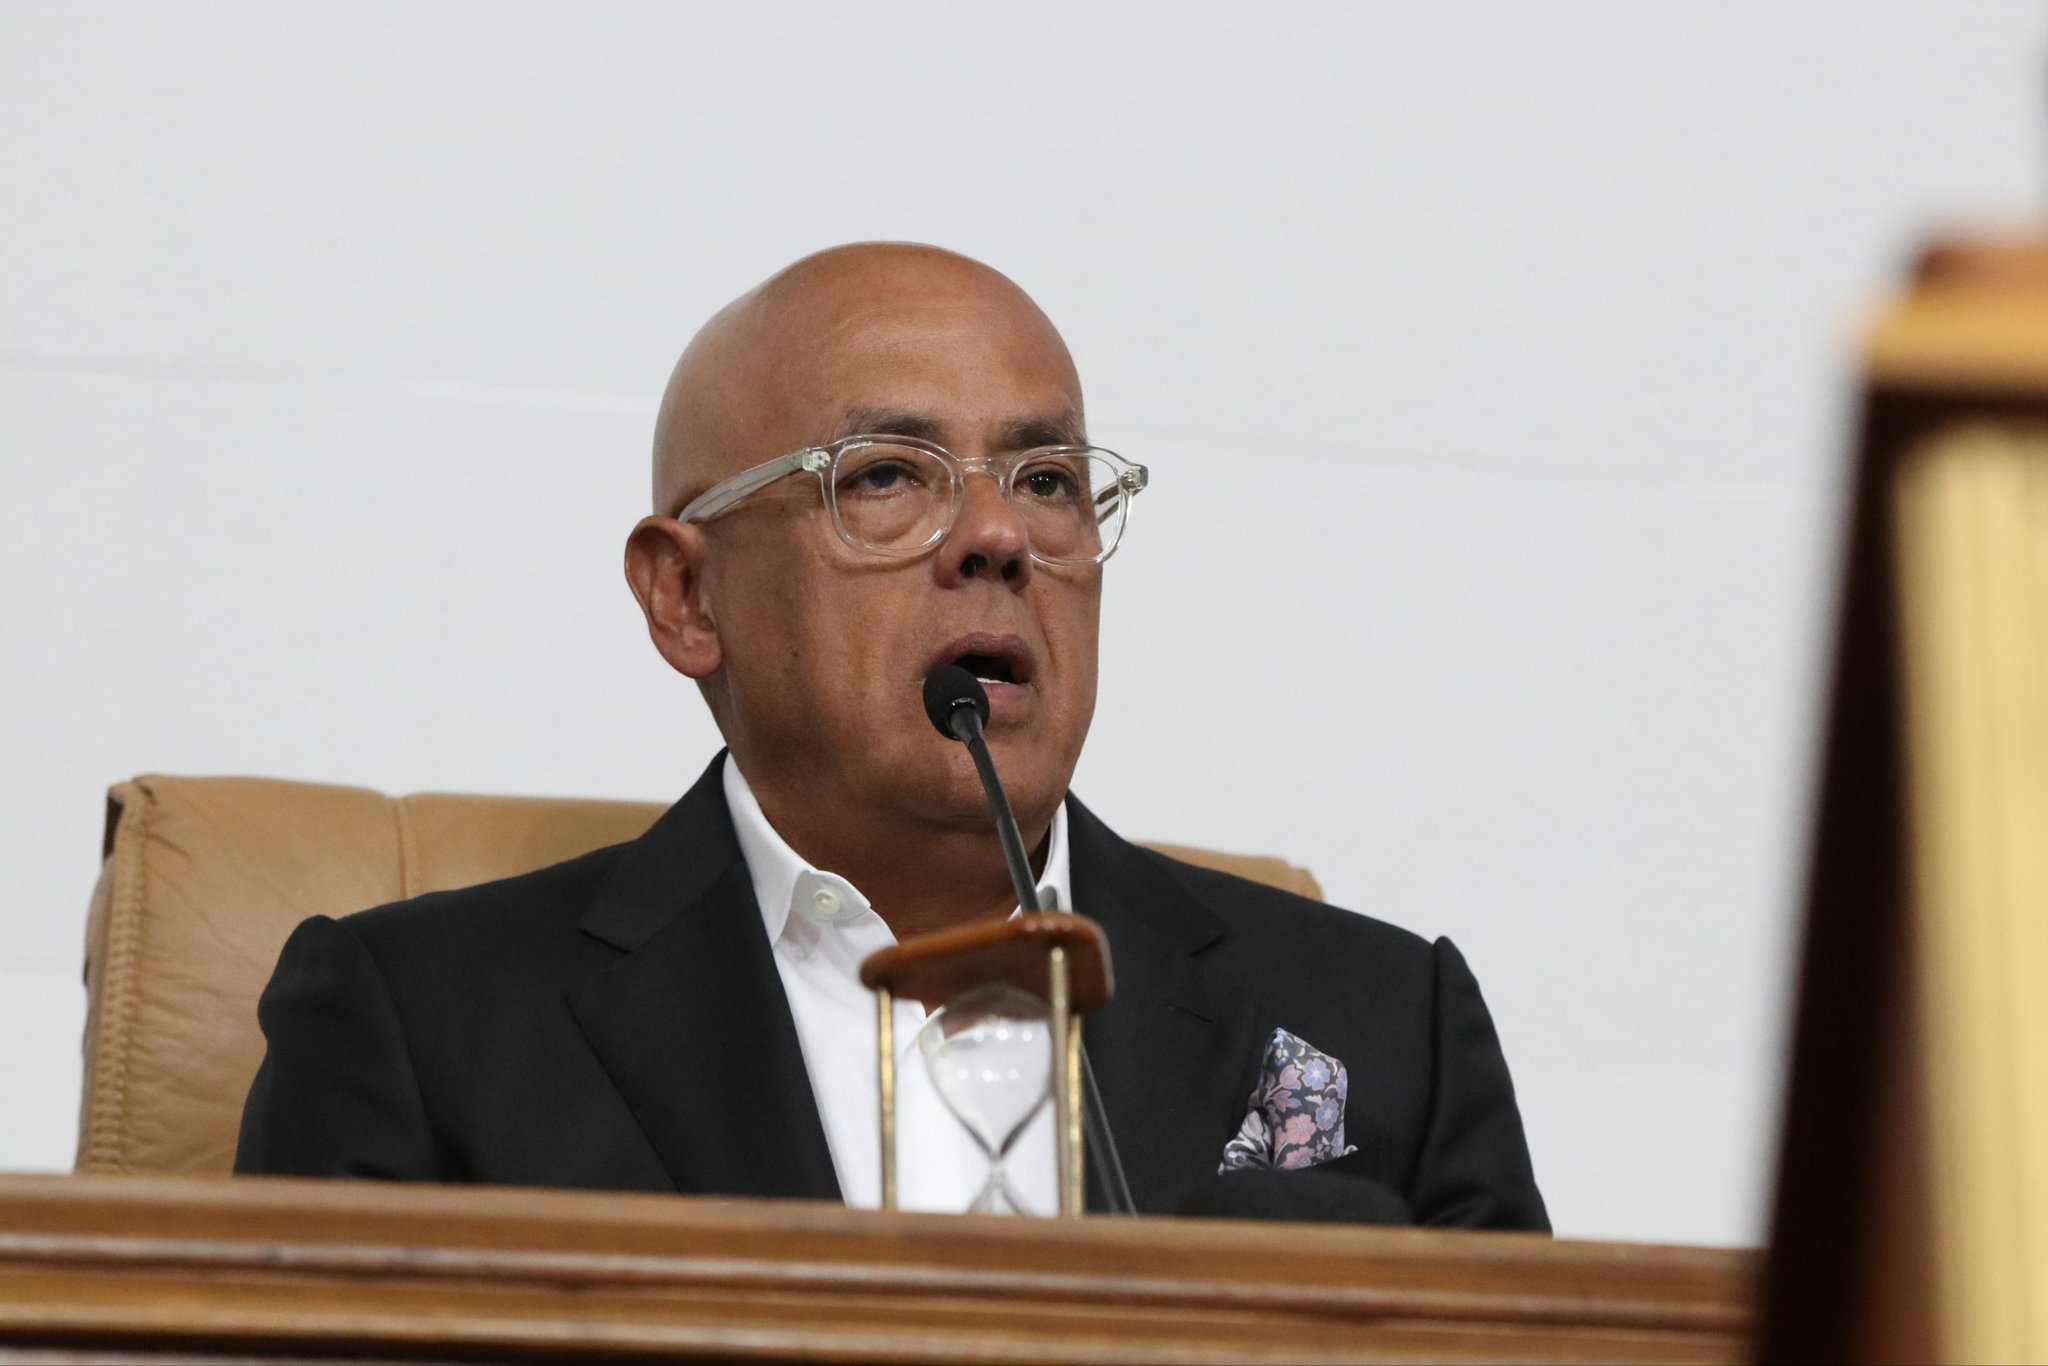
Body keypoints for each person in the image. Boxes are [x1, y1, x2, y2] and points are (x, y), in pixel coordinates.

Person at [236, 243, 1547, 1228]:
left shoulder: (1386, 1024)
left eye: (1047, 481)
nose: (1000, 535)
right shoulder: (420, 1031)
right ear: (687, 596)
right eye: (884, 477)